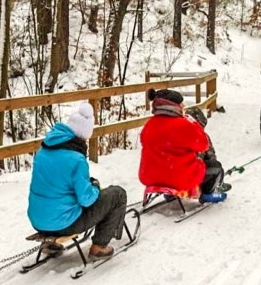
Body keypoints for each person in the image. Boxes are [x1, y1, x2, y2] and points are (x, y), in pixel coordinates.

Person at [27, 103, 127, 259]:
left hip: (37, 220)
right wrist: (94, 186)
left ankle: (50, 242)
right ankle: (99, 247)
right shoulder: (77, 159)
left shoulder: (42, 152)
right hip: (65, 224)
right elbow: (87, 200)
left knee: (57, 196)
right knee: (117, 194)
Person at [138, 89, 227, 203]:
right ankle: (207, 194)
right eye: (181, 104)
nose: (183, 106)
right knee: (216, 167)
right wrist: (193, 122)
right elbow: (203, 144)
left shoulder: (149, 125)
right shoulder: (184, 125)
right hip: (179, 179)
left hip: (150, 177)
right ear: (174, 106)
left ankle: (169, 192)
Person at [185, 106, 231, 194]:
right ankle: (215, 187)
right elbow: (211, 156)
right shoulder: (202, 136)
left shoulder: (175, 133)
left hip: (174, 173)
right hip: (192, 174)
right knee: (216, 166)